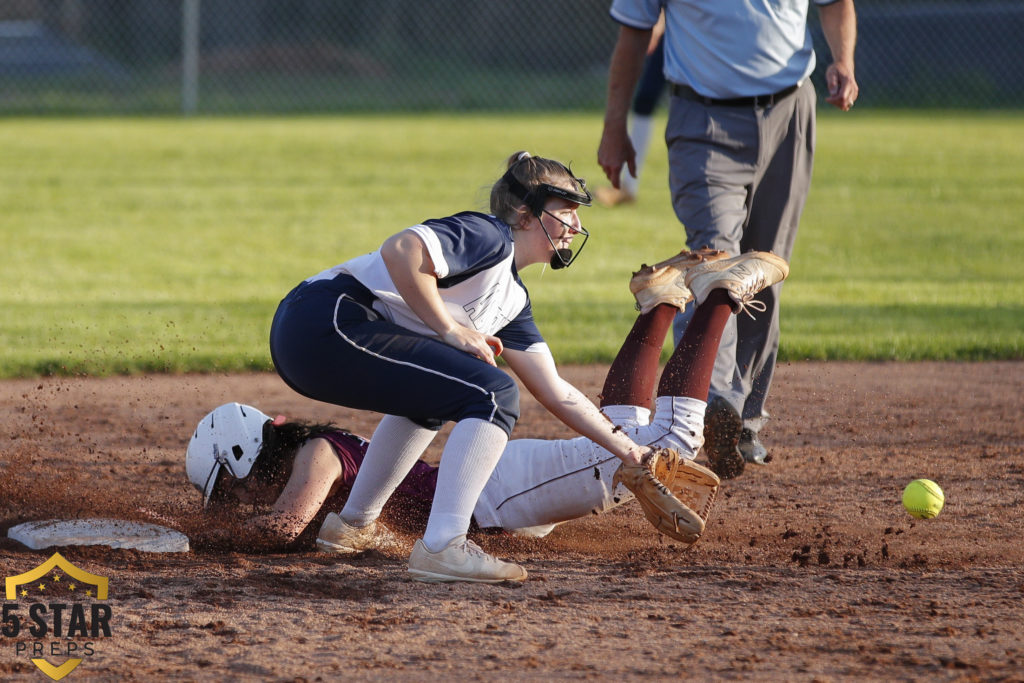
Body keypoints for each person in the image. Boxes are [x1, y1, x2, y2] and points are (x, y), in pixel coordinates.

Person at [187, 249, 789, 576]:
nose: (236, 504)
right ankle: (659, 303)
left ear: (247, 459)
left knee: (668, 444)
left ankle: (718, 295)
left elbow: (283, 530)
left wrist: (195, 537)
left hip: (497, 492)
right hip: (494, 493)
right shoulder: (311, 459)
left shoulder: (316, 457)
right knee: (626, 432)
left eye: (231, 491)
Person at [266, 151, 660, 584]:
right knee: (494, 392)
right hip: (324, 321)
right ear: (526, 215)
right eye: (566, 211)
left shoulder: (512, 300)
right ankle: (444, 546)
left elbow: (554, 390)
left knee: (437, 397)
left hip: (321, 336)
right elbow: (401, 249)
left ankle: (352, 527)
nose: (577, 226)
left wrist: (629, 451)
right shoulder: (489, 235)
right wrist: (449, 330)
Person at [597, 0, 859, 479]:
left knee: (764, 273)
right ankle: (709, 405)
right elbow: (633, 34)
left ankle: (743, 422)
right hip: (703, 121)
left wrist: (843, 60)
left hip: (790, 113)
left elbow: (836, 4)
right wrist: (616, 125)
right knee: (716, 266)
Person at [594, 15, 665, 208]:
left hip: (704, 38)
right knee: (645, 100)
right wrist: (658, 22)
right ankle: (627, 187)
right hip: (678, 31)